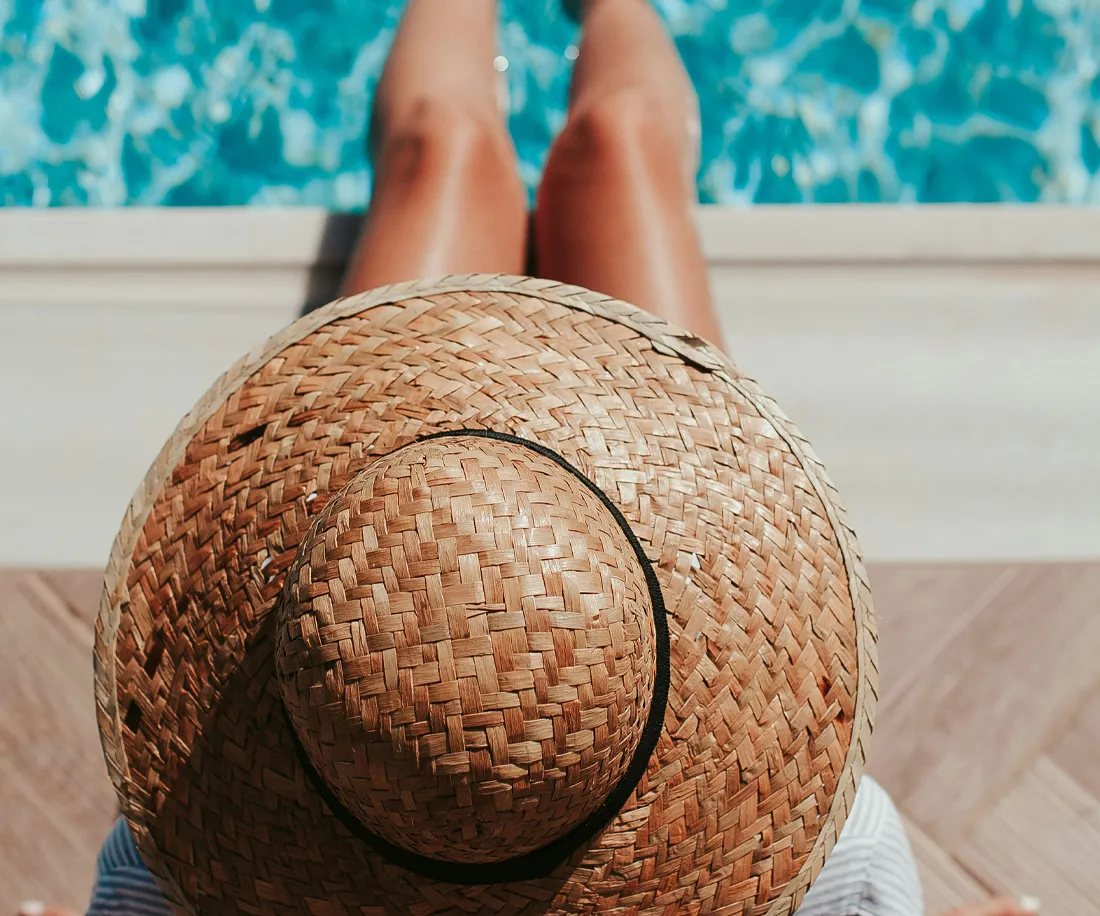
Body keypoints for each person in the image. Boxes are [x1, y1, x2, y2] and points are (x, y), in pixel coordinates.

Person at [20, 2, 1042, 915]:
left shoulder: (168, 865)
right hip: (596, 564)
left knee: (445, 149)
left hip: (415, 529)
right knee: (613, 143)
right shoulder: (833, 857)